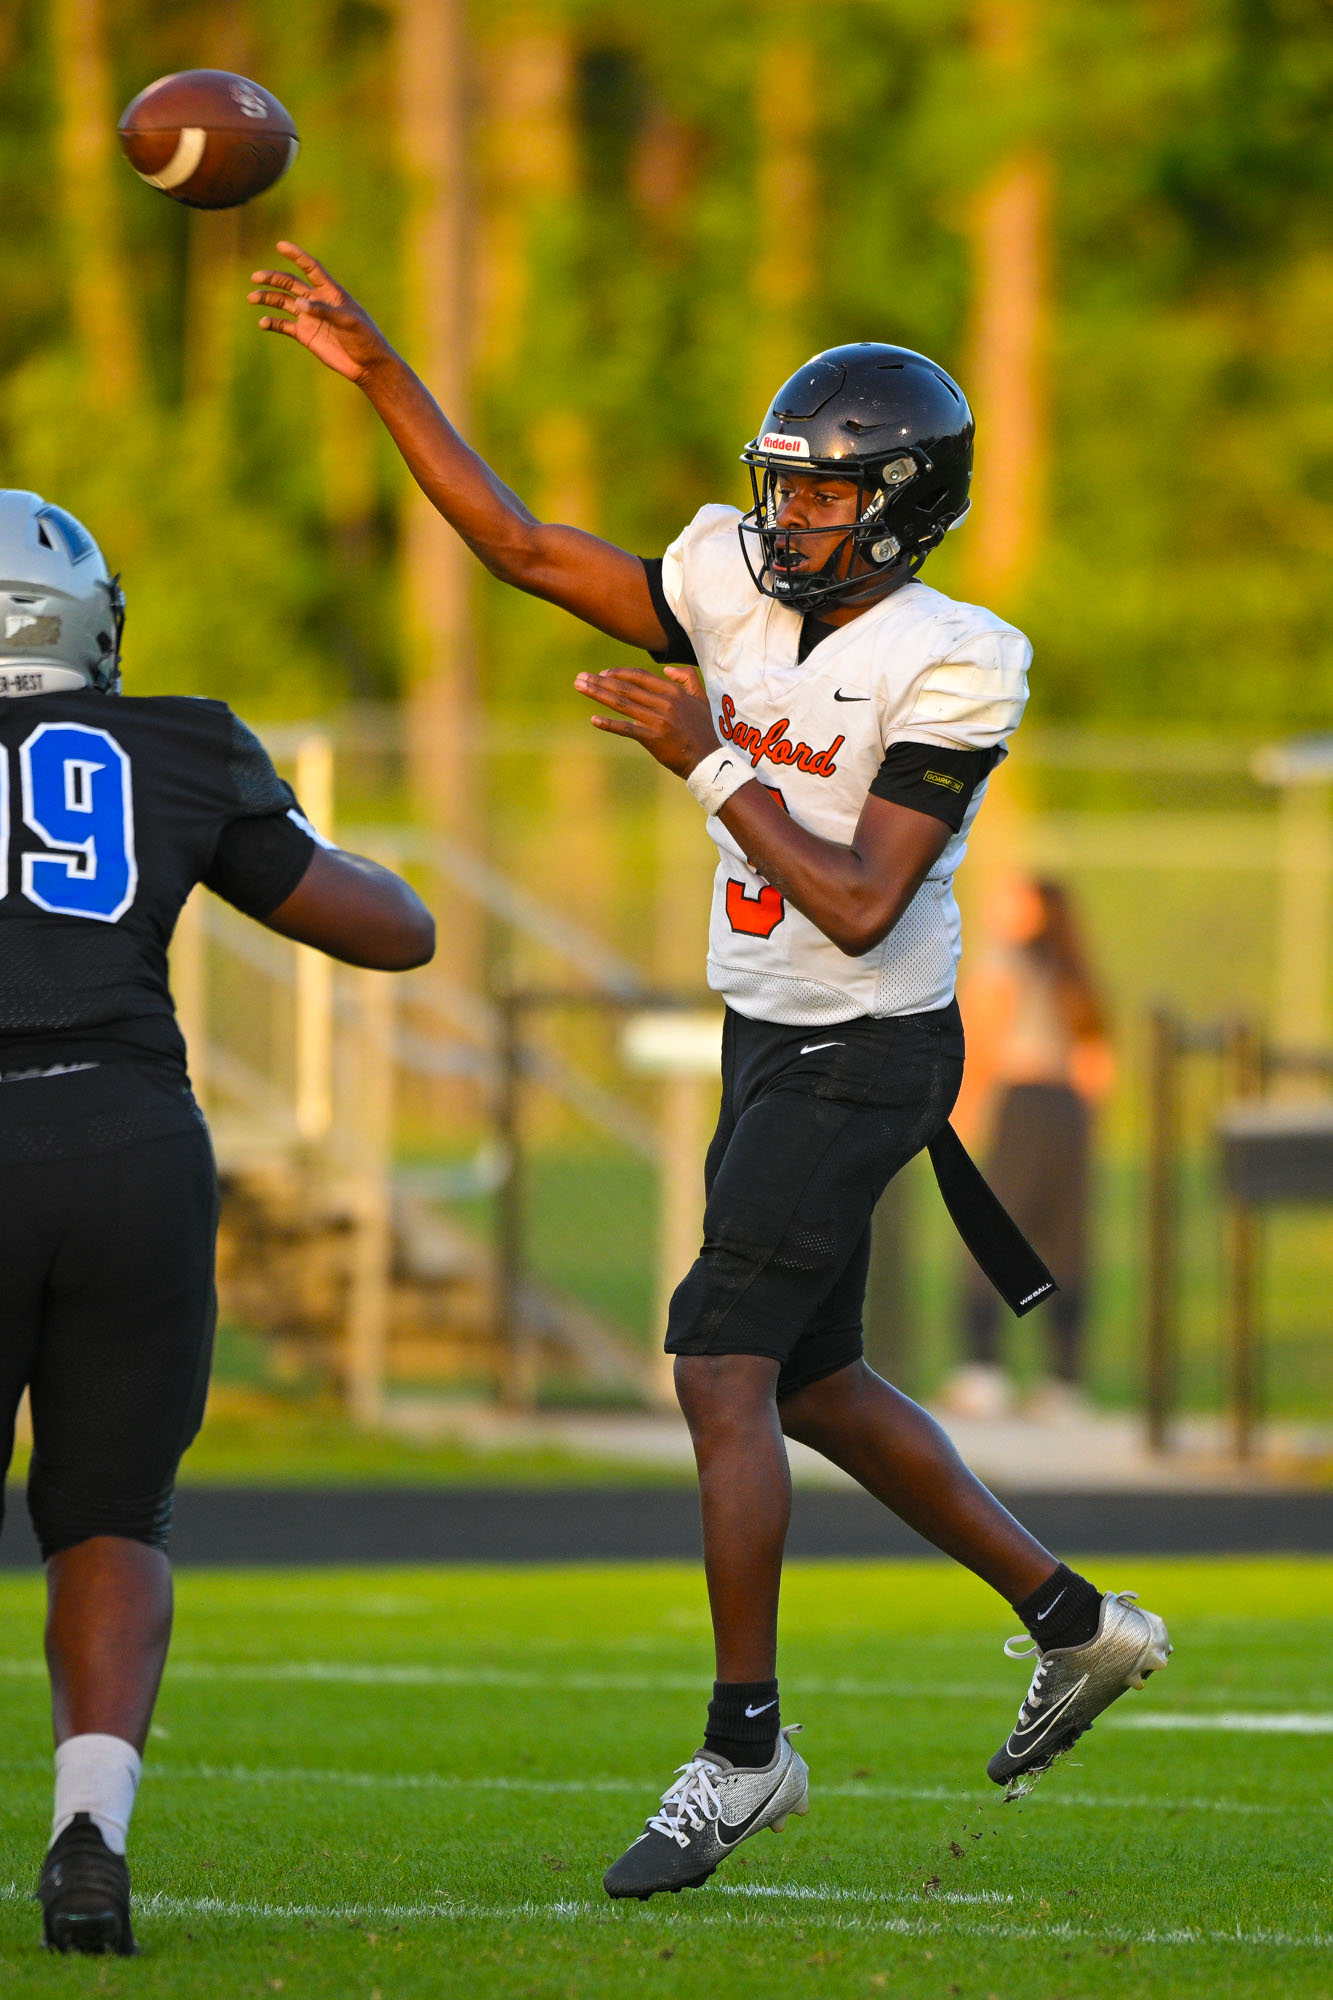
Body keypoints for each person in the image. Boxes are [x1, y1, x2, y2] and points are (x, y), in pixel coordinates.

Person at [248, 243, 1171, 1901]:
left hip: (867, 1043)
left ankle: (744, 1750)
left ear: (898, 510)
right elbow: (521, 545)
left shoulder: (955, 656)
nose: (784, 519)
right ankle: (1073, 1620)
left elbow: (861, 897)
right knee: (812, 1382)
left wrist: (708, 758)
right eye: (781, 485)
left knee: (716, 1365)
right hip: (768, 1032)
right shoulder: (731, 589)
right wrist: (380, 371)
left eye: (821, 497)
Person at [0, 488, 434, 1955]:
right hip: (130, 1144)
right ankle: (89, 1831)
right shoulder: (173, 743)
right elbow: (390, 928)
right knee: (110, 1514)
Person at [946, 875, 1116, 1420]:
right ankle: (1062, 1380)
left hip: (1020, 1103)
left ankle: (984, 1371)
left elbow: (983, 1041)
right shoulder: (1073, 971)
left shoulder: (1004, 963)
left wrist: (966, 1113)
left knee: (993, 1231)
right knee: (1066, 1242)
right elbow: (1098, 1065)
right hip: (1068, 1112)